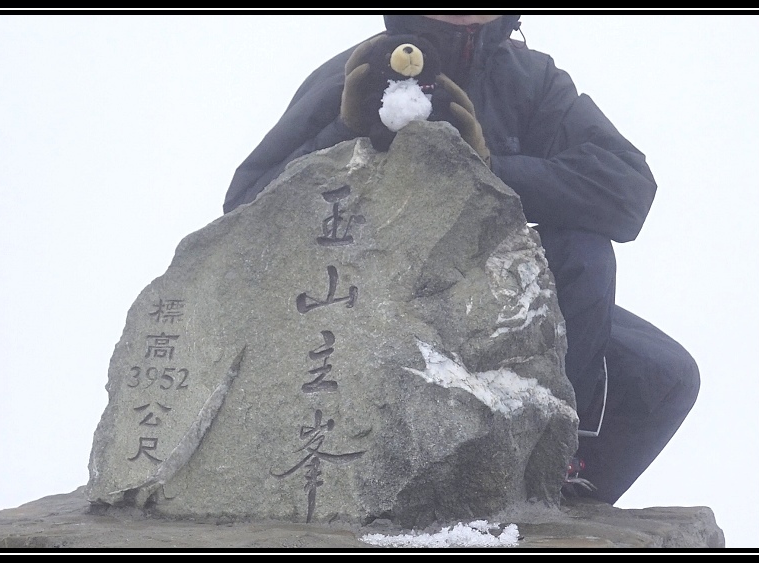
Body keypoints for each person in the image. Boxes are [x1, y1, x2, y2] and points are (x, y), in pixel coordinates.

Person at [223, 14, 700, 505]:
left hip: (494, 296)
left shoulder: (532, 79)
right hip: (376, 300)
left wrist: (489, 169)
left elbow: (627, 190)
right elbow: (243, 208)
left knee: (661, 373)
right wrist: (344, 132)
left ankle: (554, 480)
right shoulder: (359, 70)